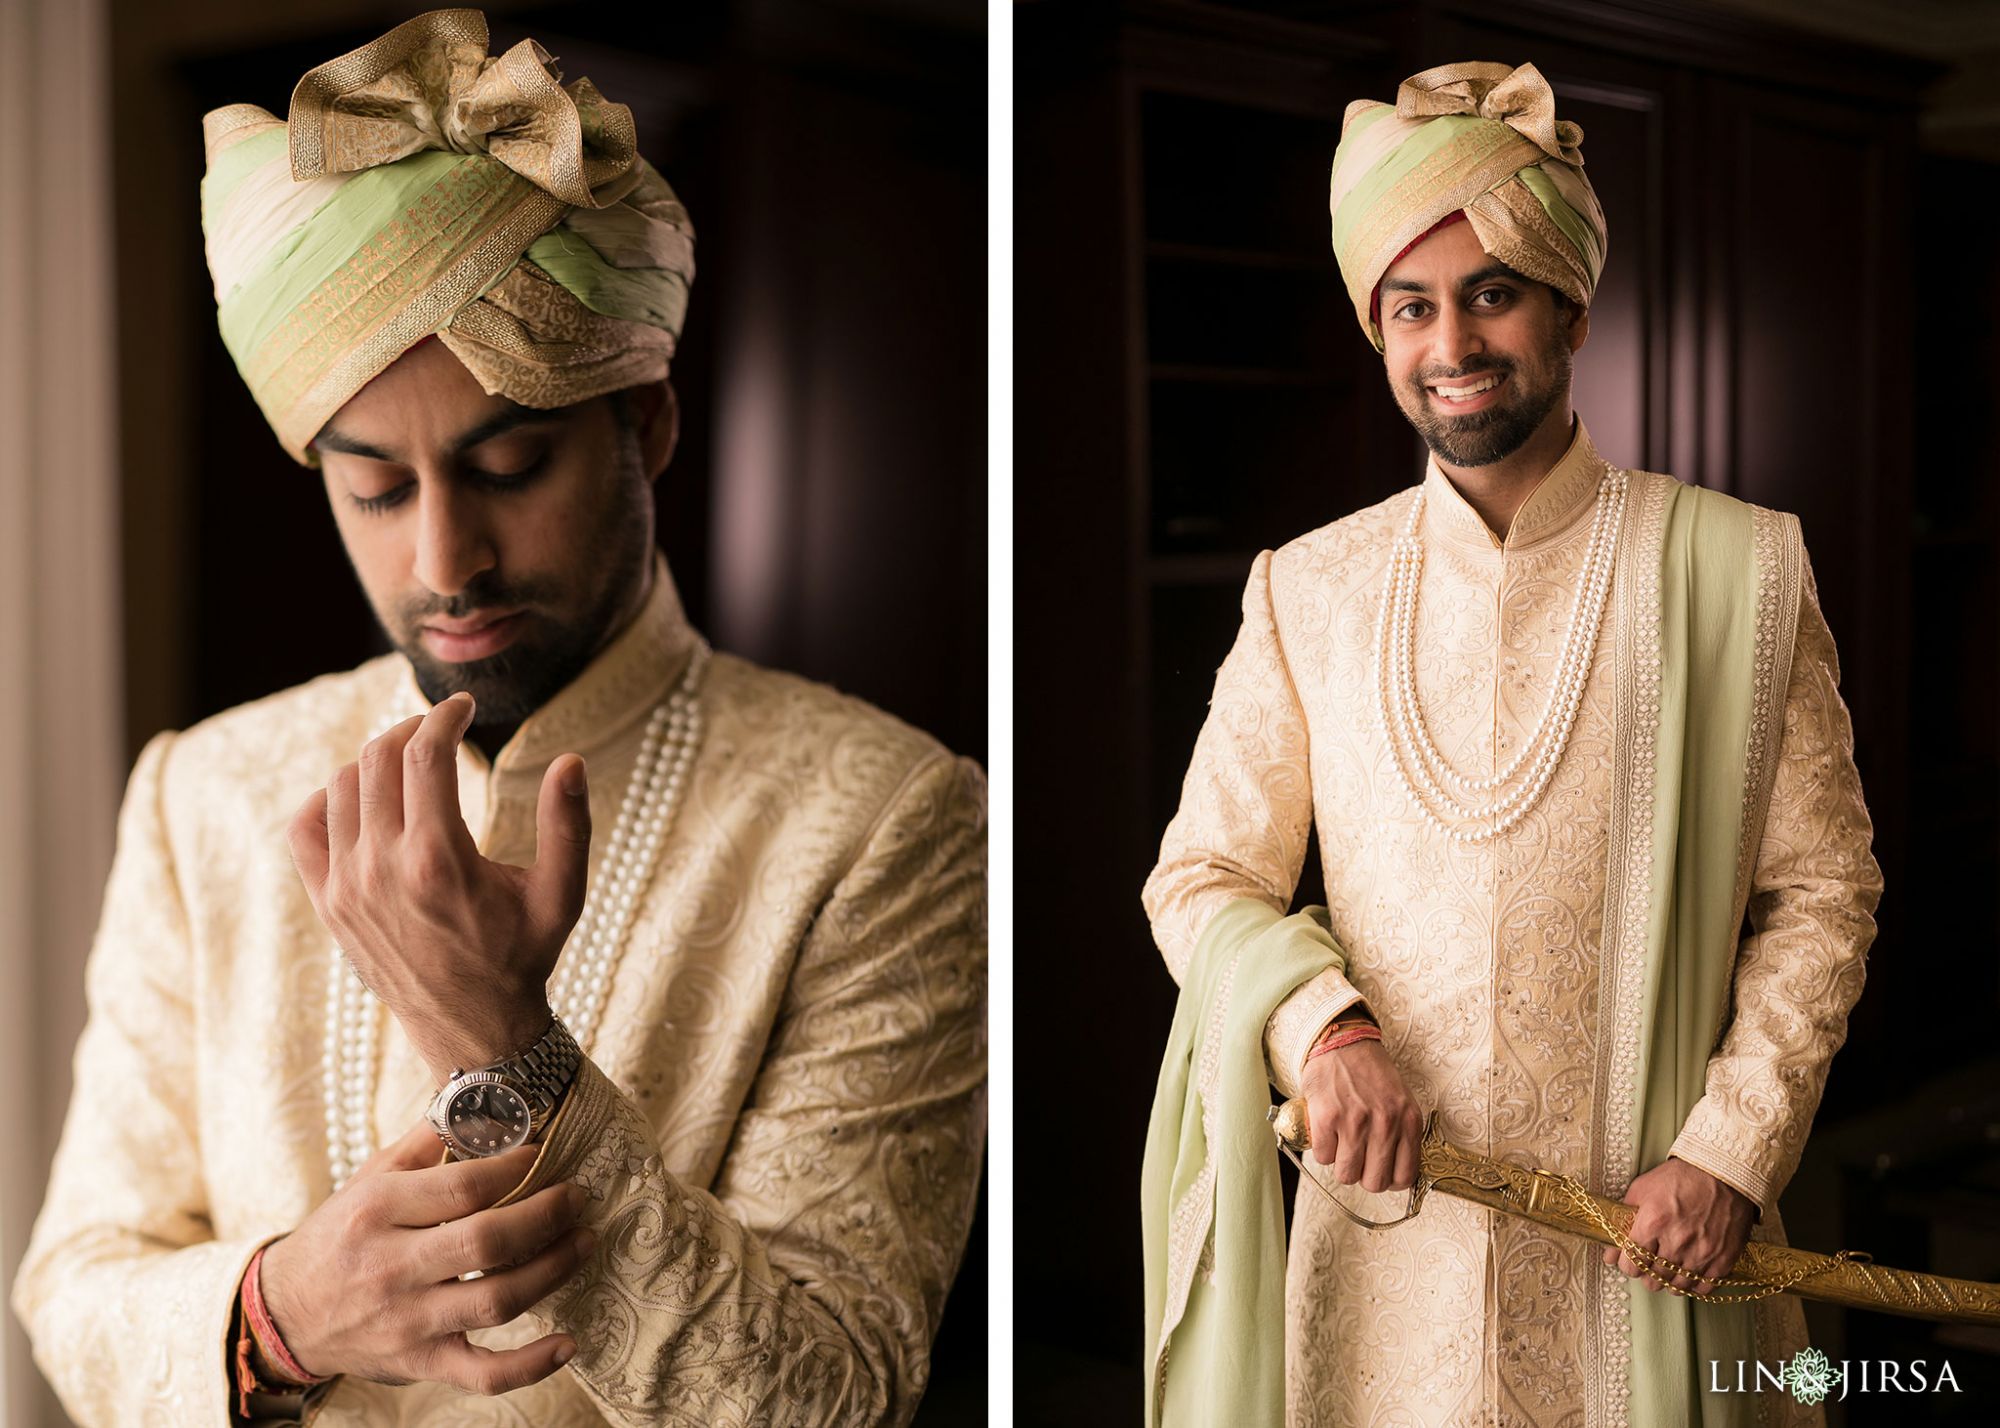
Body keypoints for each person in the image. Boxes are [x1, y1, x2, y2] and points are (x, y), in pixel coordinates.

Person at [10, 11, 985, 1427]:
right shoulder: (203, 792)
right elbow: (76, 1286)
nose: (444, 561)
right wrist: (282, 1316)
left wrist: (505, 1049)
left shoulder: (883, 816)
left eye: (510, 463)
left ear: (644, 425)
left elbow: (833, 1394)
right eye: (377, 490)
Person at [1139, 60, 1880, 1427]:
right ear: (1379, 332)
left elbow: (1823, 893)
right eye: (1412, 308)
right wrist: (1323, 1030)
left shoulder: (1740, 570)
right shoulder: (1307, 589)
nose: (1453, 344)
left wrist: (1726, 1153)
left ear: (1570, 307)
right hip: (1381, 1274)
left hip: (1656, 1259)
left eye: (1492, 293)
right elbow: (1201, 881)